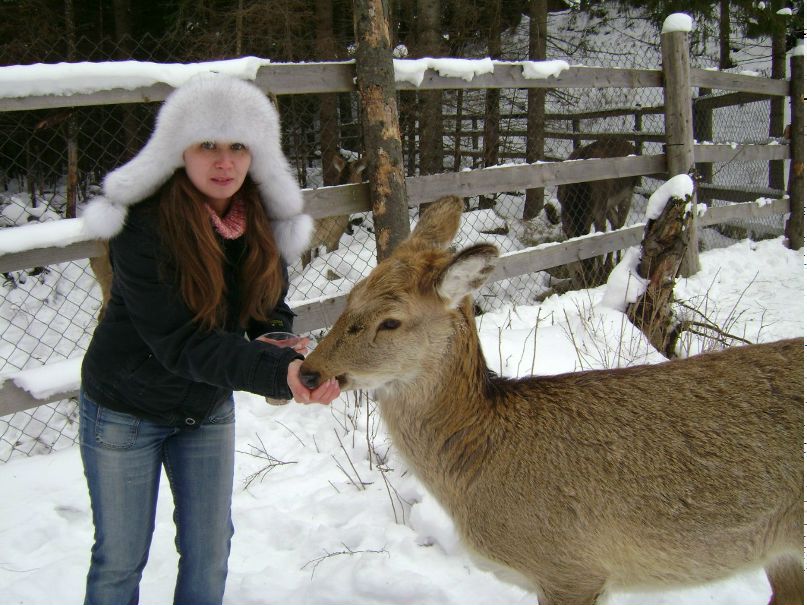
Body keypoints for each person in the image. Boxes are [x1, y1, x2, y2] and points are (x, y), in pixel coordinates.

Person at [78, 74, 340, 605]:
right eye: (208, 146)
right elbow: (181, 342)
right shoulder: (145, 227)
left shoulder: (257, 220)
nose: (225, 163)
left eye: (239, 146)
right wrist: (272, 373)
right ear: (179, 151)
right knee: (119, 561)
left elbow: (265, 308)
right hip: (126, 409)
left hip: (205, 405)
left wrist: (279, 344)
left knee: (211, 550)